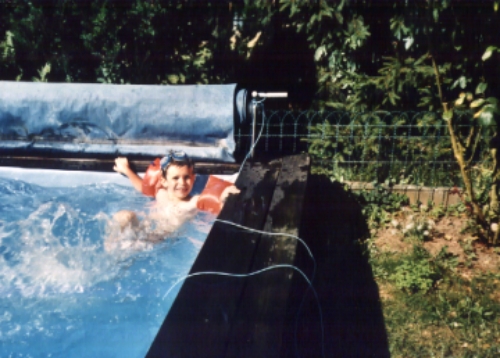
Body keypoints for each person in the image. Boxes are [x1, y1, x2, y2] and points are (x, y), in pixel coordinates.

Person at [104, 151, 239, 252]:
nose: (182, 183)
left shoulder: (191, 203)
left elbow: (219, 206)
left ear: (193, 178)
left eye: (186, 177)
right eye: (175, 178)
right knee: (125, 215)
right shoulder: (161, 193)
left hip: (157, 239)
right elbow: (142, 188)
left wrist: (225, 195)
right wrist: (126, 170)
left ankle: (115, 253)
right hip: (144, 226)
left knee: (131, 244)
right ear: (164, 181)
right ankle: (109, 245)